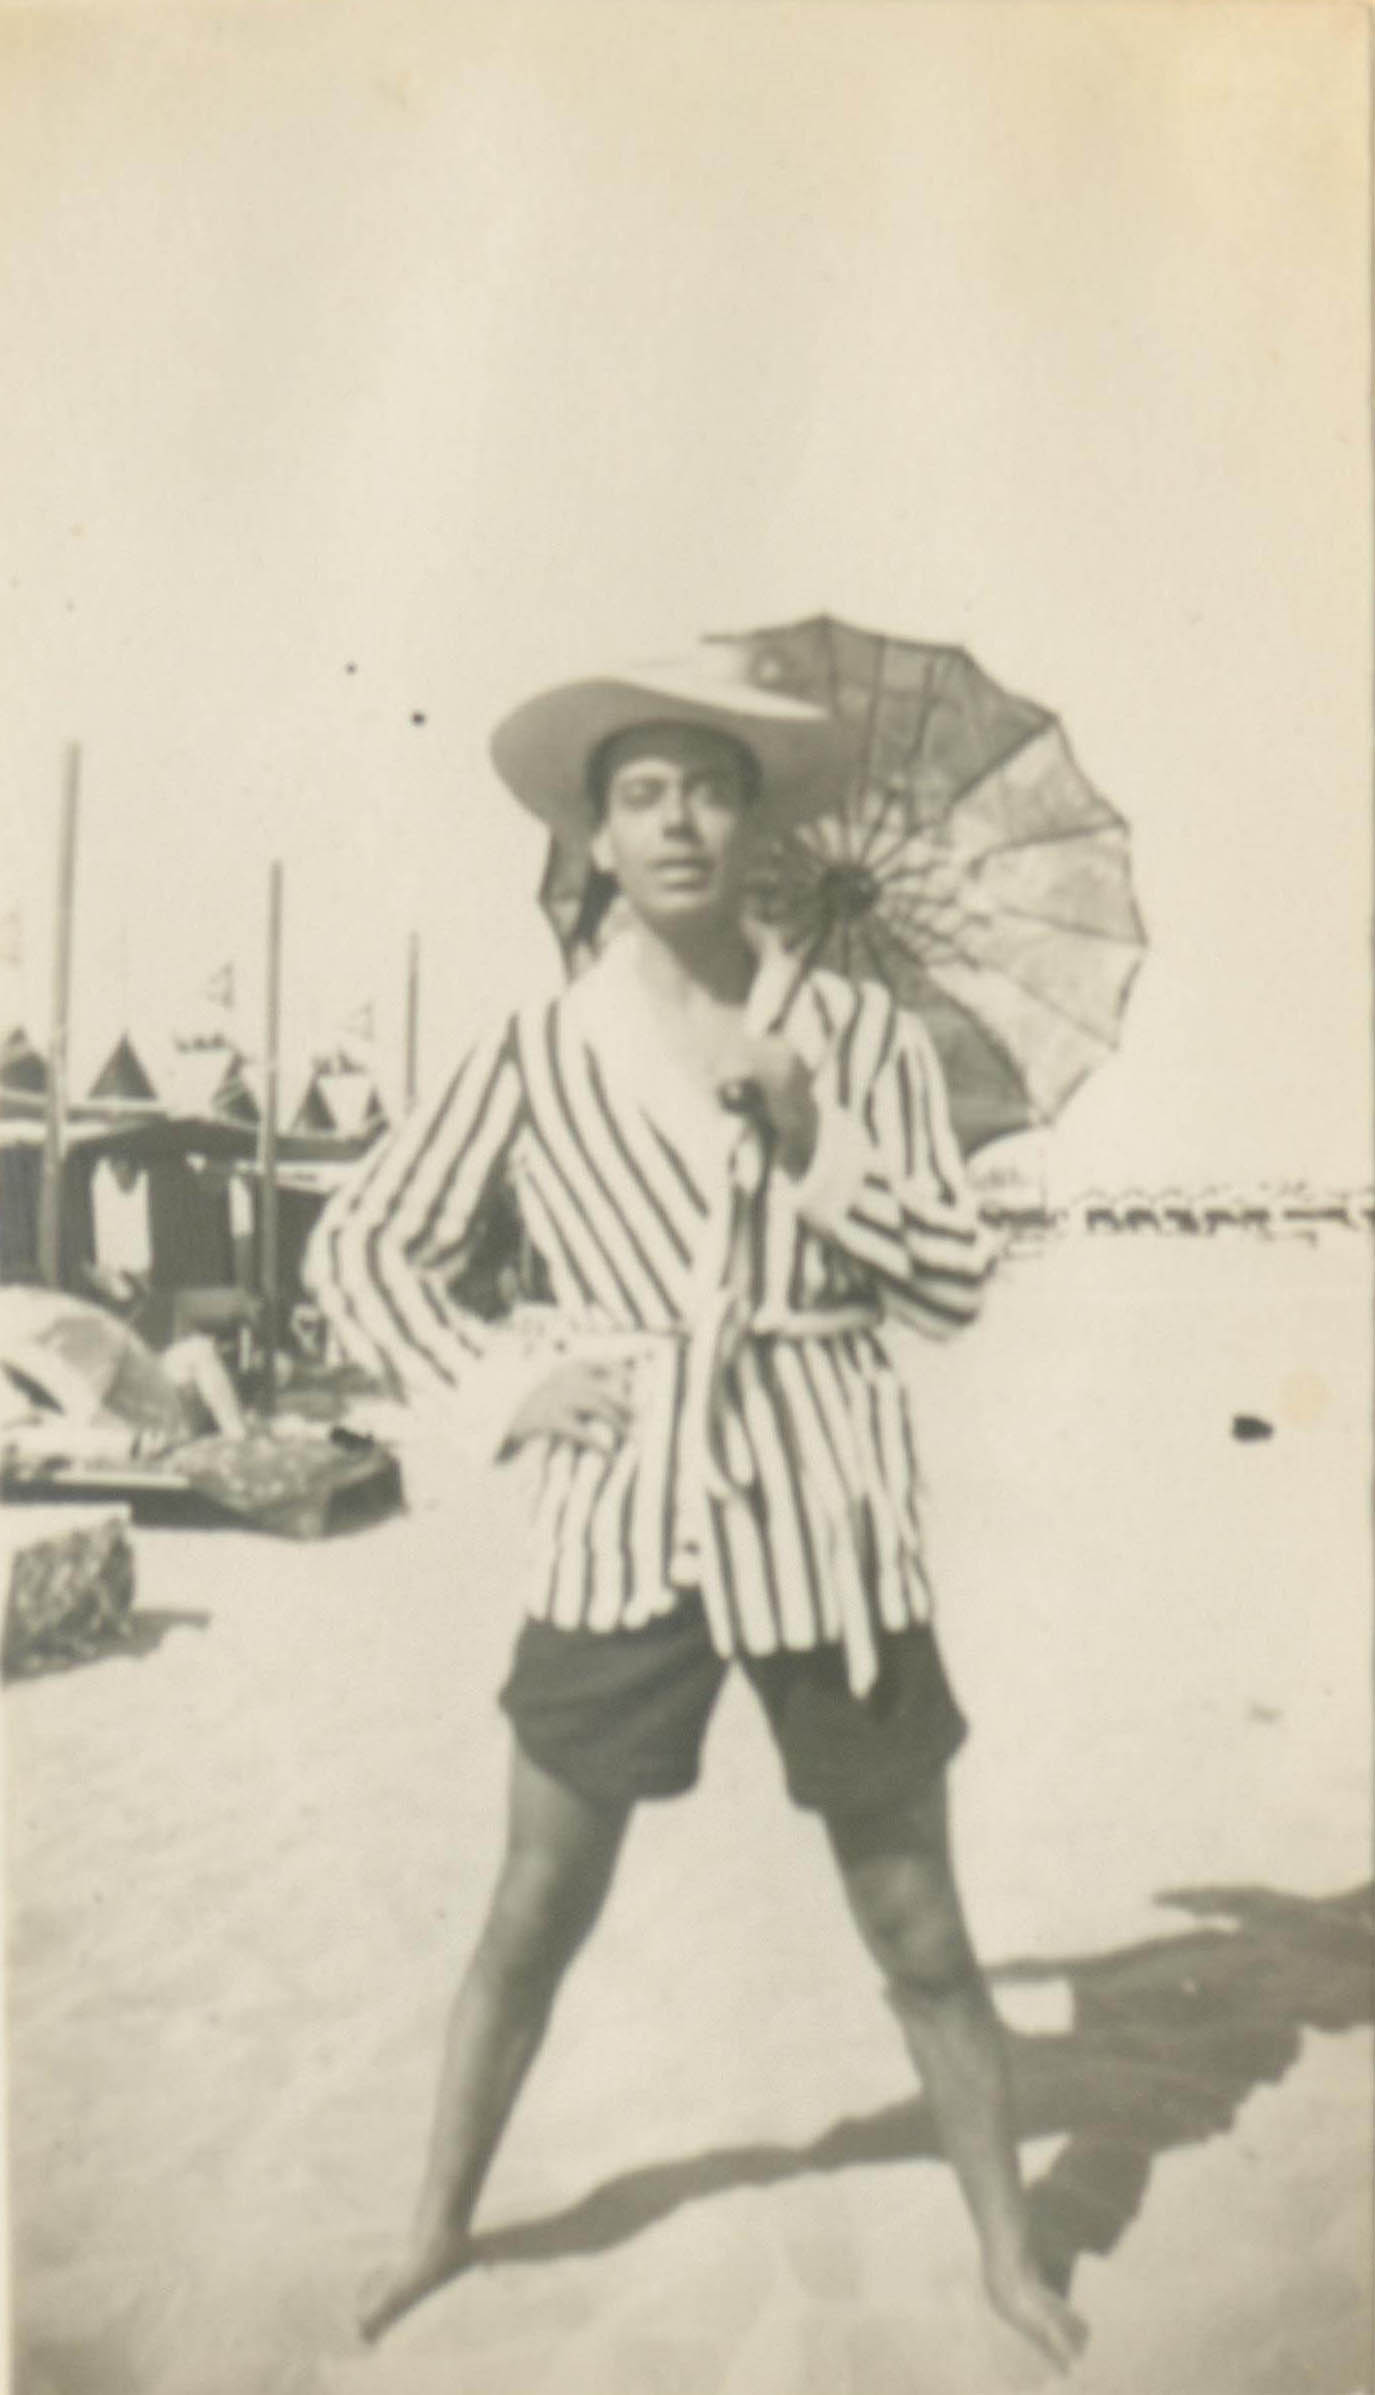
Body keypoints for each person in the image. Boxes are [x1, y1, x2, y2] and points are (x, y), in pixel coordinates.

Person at [307, 647, 1088, 2372]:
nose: (677, 823)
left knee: (918, 1927)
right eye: (641, 795)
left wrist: (817, 1142)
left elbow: (953, 1288)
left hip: (831, 1520)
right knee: (534, 1909)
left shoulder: (861, 1037)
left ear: (759, 825)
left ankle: (1008, 2255)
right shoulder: (536, 1045)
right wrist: (496, 1390)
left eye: (711, 791)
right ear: (593, 834)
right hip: (624, 1514)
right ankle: (435, 2225)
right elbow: (360, 1247)